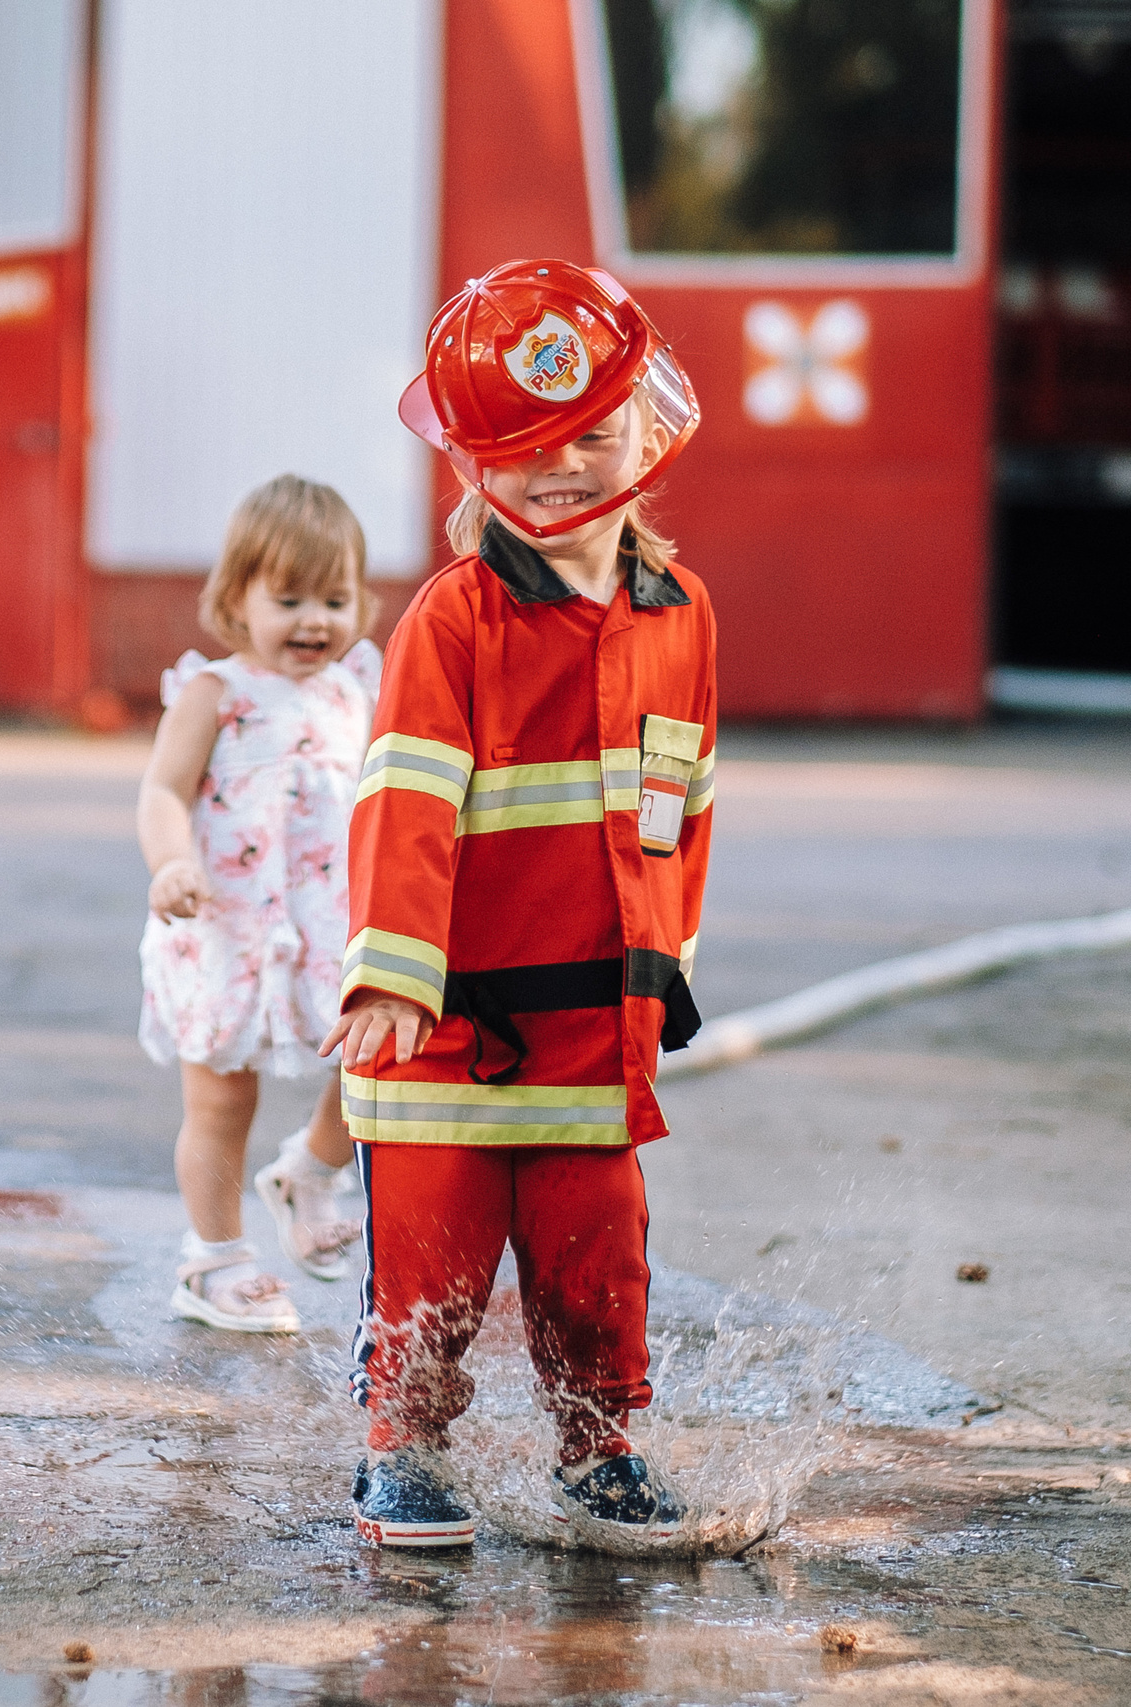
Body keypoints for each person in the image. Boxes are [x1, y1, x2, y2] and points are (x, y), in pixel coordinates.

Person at [321, 259, 713, 1547]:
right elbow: (405, 797)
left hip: (594, 1033)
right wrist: (387, 969)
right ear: (472, 466)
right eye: (519, 445)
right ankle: (402, 1451)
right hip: (441, 1029)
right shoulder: (454, 619)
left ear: (647, 426)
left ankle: (597, 1449)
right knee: (428, 1263)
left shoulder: (682, 615)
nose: (559, 467)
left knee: (595, 1263)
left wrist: (668, 972)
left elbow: (681, 805)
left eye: (589, 432)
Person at [136, 474, 381, 1334]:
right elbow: (163, 790)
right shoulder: (214, 693)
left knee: (375, 1058)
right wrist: (171, 862)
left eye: (335, 597)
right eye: (289, 598)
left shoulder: (359, 689)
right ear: (236, 597)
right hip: (226, 928)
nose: (315, 619)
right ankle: (213, 1259)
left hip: (331, 927)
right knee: (221, 1101)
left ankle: (312, 1168)